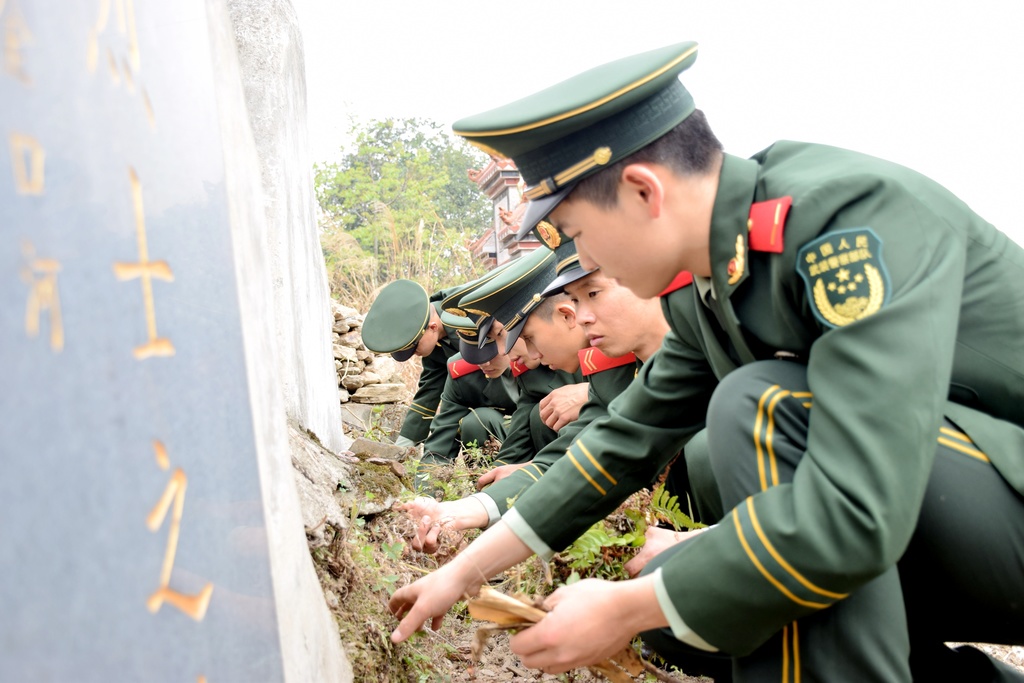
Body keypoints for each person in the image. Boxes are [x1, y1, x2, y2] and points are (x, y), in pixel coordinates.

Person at [390, 40, 1024, 682]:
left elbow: (858, 505)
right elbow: (622, 442)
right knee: (695, 597)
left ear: (642, 192)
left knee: (761, 408)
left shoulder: (847, 222)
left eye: (578, 235)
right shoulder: (711, 291)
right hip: (938, 513)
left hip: (974, 507)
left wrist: (628, 608)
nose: (585, 260)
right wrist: (463, 572)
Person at [361, 279, 461, 446]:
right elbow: (429, 392)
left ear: (433, 326)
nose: (415, 354)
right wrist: (402, 446)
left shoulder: (469, 316)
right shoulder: (435, 343)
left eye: (414, 347)